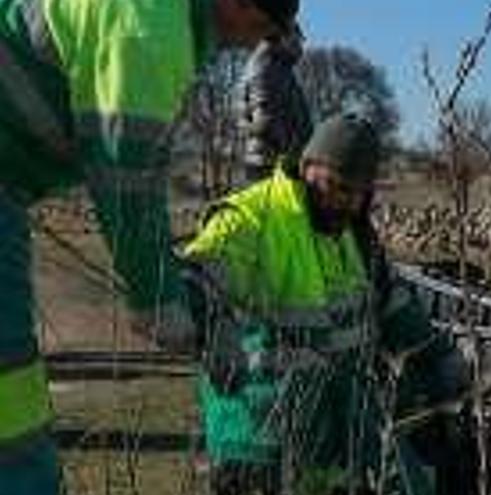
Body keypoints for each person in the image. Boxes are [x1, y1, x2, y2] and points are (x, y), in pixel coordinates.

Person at [0, 0, 300, 493]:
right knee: (9, 389)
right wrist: (161, 302)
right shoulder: (151, 33)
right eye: (261, 26)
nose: (253, 42)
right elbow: (128, 178)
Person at [183, 114, 469, 495]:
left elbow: (395, 305)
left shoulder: (356, 236)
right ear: (307, 167)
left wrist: (439, 358)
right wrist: (208, 323)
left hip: (333, 433)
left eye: (357, 193)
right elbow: (194, 280)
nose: (345, 203)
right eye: (335, 187)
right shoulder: (252, 218)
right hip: (258, 441)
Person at [240, 27, 313, 182]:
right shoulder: (267, 65)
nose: (301, 46)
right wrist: (290, 156)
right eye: (297, 40)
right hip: (269, 164)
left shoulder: (280, 67)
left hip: (277, 161)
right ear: (283, 37)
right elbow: (265, 120)